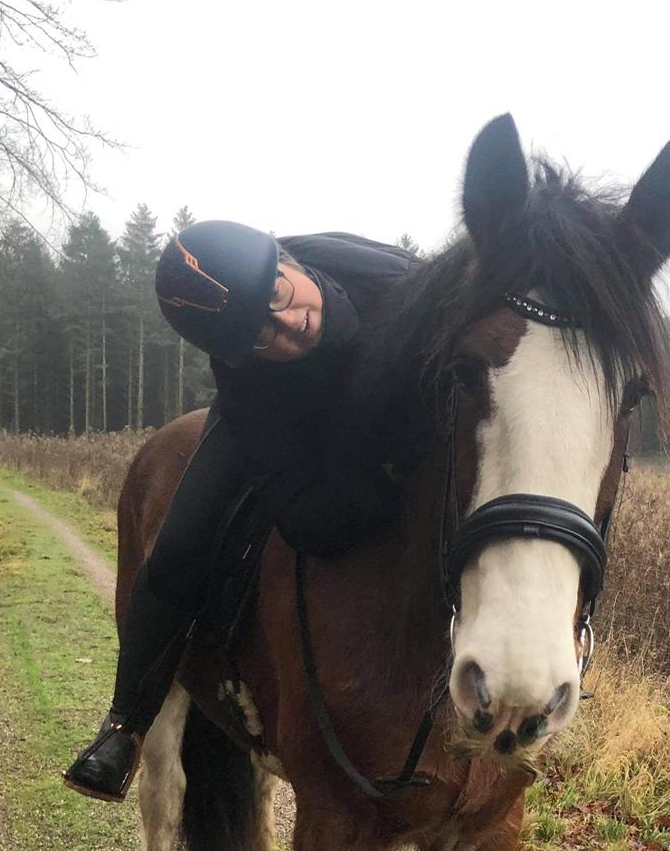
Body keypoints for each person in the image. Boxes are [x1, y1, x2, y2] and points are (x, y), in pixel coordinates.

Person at [63, 221, 417, 803]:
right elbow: (305, 518)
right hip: (287, 419)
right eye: (260, 335)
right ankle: (124, 726)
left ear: (288, 261)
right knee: (177, 553)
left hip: (383, 404)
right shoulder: (247, 379)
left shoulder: (391, 274)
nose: (288, 325)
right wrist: (380, 490)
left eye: (278, 296)